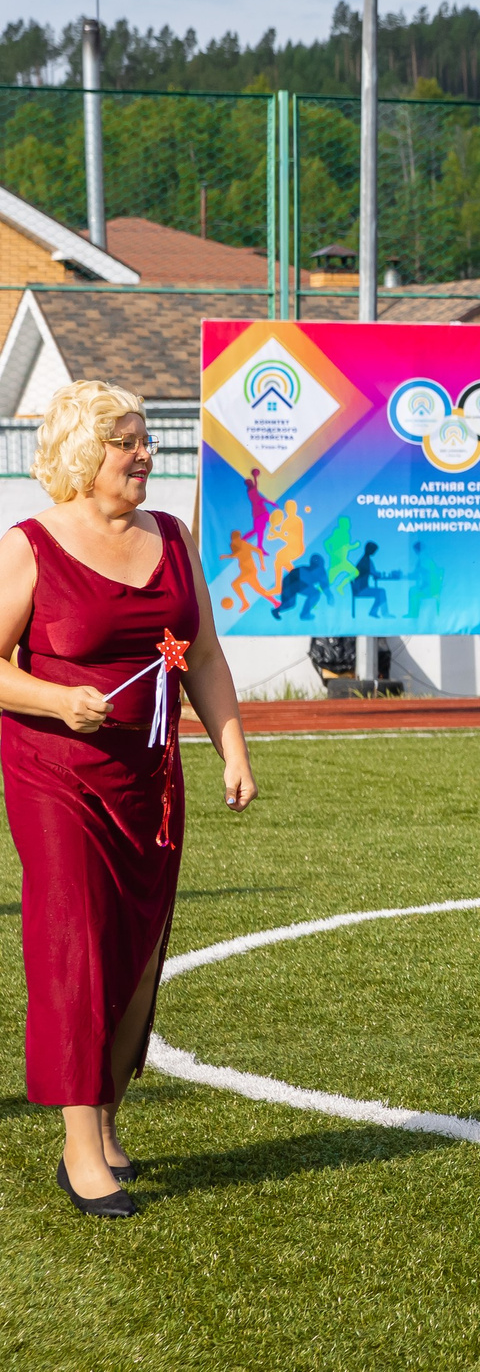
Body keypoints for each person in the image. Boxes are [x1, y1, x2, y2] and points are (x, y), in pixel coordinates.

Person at [2, 382, 256, 1217]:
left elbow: (203, 657)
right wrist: (57, 700)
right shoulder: (30, 545)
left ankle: (106, 1117)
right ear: (84, 451)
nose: (145, 454)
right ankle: (80, 1150)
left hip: (152, 780)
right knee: (75, 943)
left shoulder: (174, 537)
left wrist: (232, 750)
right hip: (55, 776)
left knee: (138, 954)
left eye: (145, 439)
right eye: (127, 441)